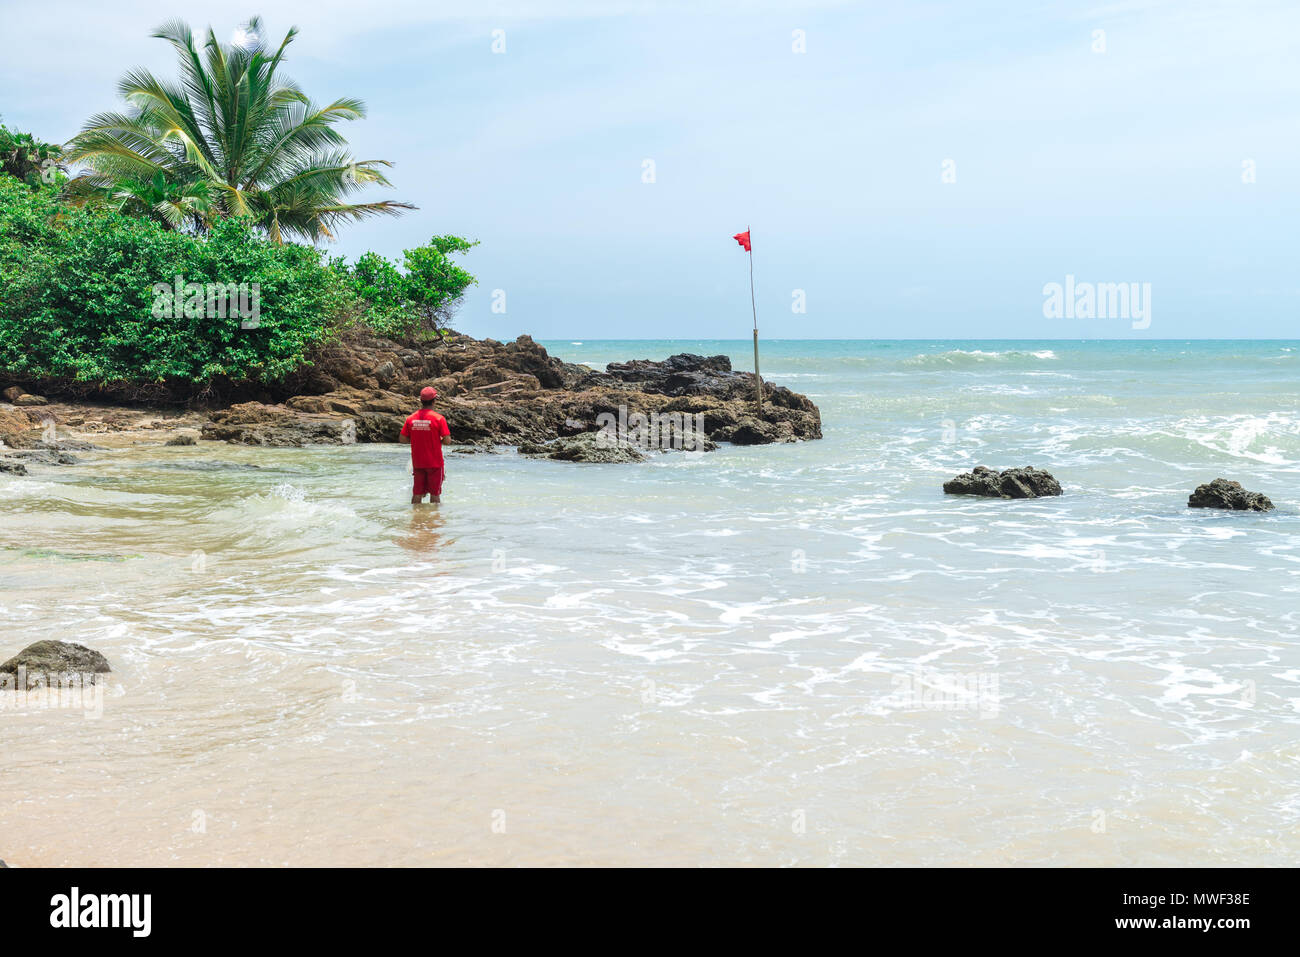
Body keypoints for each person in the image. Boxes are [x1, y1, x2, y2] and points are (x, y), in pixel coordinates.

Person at [400, 386, 451, 504]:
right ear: (434, 401)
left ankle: (416, 519)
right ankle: (433, 520)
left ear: (421, 401)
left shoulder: (411, 418)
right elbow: (447, 441)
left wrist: (416, 440)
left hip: (418, 462)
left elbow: (402, 439)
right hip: (435, 463)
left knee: (417, 494)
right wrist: (437, 440)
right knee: (435, 495)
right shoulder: (439, 419)